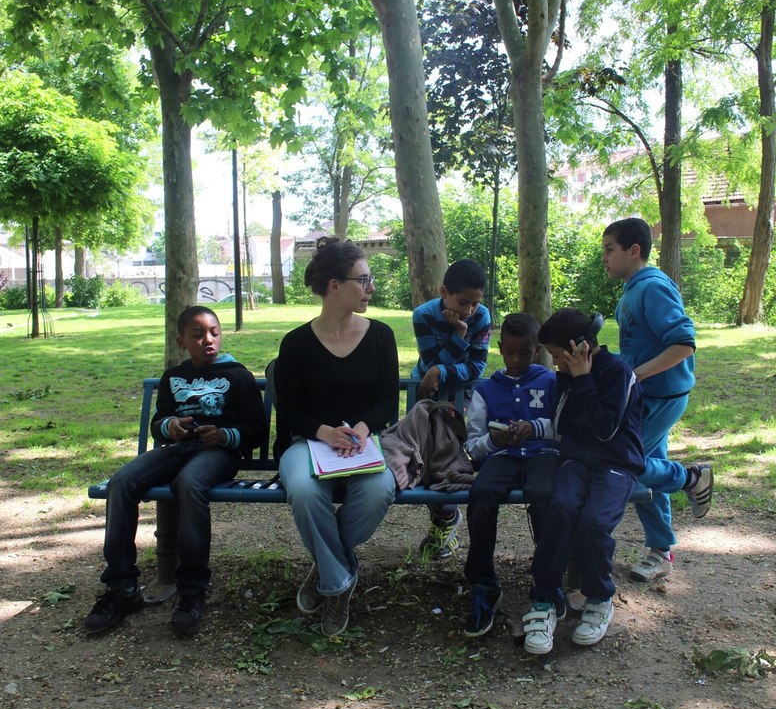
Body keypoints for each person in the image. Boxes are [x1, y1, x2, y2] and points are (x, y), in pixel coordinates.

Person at [84, 306, 264, 637]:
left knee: (190, 484)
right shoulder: (173, 377)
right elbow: (159, 424)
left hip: (219, 453)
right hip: (178, 449)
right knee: (122, 482)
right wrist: (172, 426)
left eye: (214, 332)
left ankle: (192, 590)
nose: (208, 340)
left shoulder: (239, 376)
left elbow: (256, 429)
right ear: (182, 341)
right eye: (197, 335)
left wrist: (225, 435)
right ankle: (121, 588)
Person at [275, 239, 400, 636]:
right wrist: (324, 432)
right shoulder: (295, 344)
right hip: (310, 443)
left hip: (362, 444)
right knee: (304, 489)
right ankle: (339, 582)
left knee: (380, 489)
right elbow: (289, 410)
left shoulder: (381, 336)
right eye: (363, 280)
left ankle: (326, 568)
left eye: (369, 279)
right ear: (334, 285)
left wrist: (362, 429)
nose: (371, 287)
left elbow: (386, 404)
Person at [522, 308, 645, 655]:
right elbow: (561, 424)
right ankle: (544, 601)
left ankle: (599, 597)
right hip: (576, 460)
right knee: (559, 509)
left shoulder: (619, 372)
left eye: (559, 355)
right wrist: (571, 379)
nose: (556, 363)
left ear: (580, 349)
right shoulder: (566, 374)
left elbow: (606, 429)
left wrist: (583, 380)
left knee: (593, 523)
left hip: (617, 462)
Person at [601, 217, 714, 583]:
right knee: (650, 463)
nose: (604, 258)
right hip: (644, 394)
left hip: (662, 394)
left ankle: (692, 477)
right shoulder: (633, 288)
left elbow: (683, 343)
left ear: (634, 251)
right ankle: (661, 550)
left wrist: (637, 375)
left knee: (625, 462)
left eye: (609, 250)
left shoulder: (653, 287)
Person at [461, 313, 560, 638]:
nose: (516, 360)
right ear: (500, 349)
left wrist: (535, 428)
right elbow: (473, 445)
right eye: (510, 352)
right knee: (482, 494)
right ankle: (483, 584)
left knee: (545, 495)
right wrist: (493, 440)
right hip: (501, 457)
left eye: (525, 352)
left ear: (537, 351)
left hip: (541, 455)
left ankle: (548, 582)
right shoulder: (487, 390)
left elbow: (563, 430)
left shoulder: (550, 382)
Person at [411, 259, 491, 560]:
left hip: (460, 397)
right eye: (463, 302)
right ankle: (445, 517)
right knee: (424, 459)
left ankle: (444, 520)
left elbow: (477, 367)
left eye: (474, 304)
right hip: (426, 397)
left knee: (447, 458)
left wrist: (440, 373)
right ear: (444, 291)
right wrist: (459, 335)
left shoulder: (482, 316)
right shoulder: (424, 316)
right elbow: (431, 363)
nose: (469, 311)